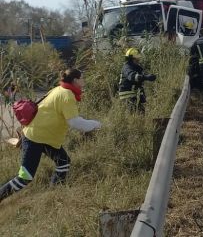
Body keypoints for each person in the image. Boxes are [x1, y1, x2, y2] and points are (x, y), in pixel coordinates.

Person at [0, 68, 101, 203]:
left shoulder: (59, 89)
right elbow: (75, 123)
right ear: (75, 80)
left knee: (63, 161)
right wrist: (97, 124)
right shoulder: (67, 95)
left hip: (45, 137)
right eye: (82, 78)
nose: (84, 80)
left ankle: (54, 194)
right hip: (35, 138)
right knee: (25, 177)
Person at [119, 48, 156, 112]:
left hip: (135, 94)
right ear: (132, 59)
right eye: (137, 58)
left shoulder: (135, 67)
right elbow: (133, 76)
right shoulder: (127, 67)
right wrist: (146, 77)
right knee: (134, 113)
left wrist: (150, 77)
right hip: (128, 95)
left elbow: (140, 77)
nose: (138, 60)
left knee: (141, 113)